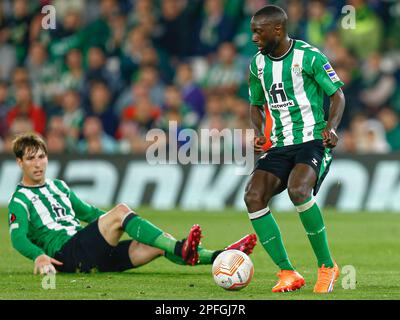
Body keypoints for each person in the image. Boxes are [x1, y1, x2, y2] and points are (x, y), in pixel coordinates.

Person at [8, 133, 257, 275]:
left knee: (156, 244)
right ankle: (182, 247)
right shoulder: (19, 201)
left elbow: (90, 213)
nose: (38, 164)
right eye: (31, 159)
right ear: (20, 163)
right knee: (122, 212)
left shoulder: (58, 186)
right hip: (67, 255)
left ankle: (222, 256)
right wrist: (39, 256)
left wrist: (117, 224)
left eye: (41, 157)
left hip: (89, 251)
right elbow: (18, 238)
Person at [245, 5, 345, 293]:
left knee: (298, 190)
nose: (254, 38)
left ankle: (327, 265)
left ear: (277, 30)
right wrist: (257, 131)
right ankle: (287, 272)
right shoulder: (257, 64)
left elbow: (337, 95)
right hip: (279, 144)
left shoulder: (309, 56)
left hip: (313, 139)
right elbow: (255, 104)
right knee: (253, 196)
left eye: (258, 32)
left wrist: (333, 127)